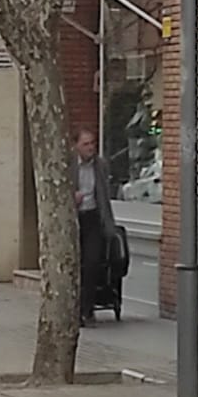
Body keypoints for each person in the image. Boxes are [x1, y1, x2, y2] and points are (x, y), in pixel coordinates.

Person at [73, 126, 116, 326]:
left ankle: (87, 311)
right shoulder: (68, 165)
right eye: (86, 144)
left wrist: (109, 225)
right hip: (73, 219)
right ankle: (73, 309)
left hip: (93, 218)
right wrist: (71, 197)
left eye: (93, 143)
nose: (91, 148)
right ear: (76, 146)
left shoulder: (100, 165)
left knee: (91, 264)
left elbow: (104, 196)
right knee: (74, 265)